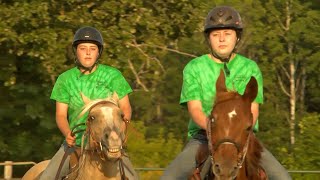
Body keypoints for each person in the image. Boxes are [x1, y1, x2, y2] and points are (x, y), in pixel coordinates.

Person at [161, 6, 291, 180]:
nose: (222, 39)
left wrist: (236, 134)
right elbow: (195, 109)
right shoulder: (194, 68)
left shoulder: (250, 68)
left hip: (243, 137)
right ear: (209, 39)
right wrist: (213, 128)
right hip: (204, 137)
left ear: (237, 37)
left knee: (283, 177)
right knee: (169, 177)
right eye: (215, 35)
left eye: (227, 33)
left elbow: (253, 111)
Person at [40, 26, 138, 179]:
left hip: (110, 143)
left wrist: (119, 135)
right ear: (76, 51)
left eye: (92, 48)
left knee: (133, 177)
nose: (87, 52)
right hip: (75, 144)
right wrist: (68, 134)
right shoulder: (65, 79)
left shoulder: (113, 75)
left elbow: (125, 108)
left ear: (98, 52)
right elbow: (60, 115)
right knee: (47, 177)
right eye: (82, 48)